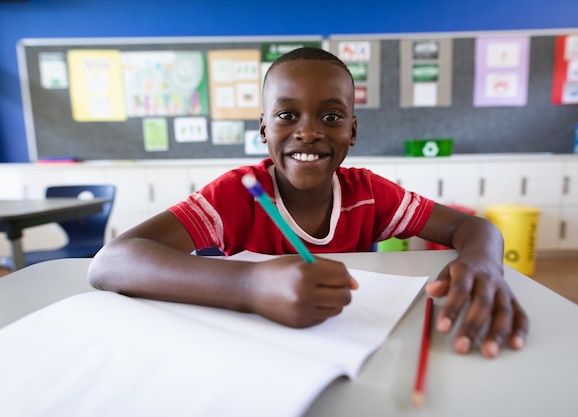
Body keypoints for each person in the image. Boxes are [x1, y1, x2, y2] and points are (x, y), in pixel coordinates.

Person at [89, 47, 528, 359]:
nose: (308, 131)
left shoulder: (370, 195)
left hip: (352, 350)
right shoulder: (238, 195)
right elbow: (111, 263)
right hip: (250, 356)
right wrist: (251, 287)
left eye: (332, 117)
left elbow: (473, 229)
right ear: (263, 129)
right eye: (286, 115)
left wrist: (485, 262)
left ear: (352, 131)